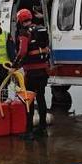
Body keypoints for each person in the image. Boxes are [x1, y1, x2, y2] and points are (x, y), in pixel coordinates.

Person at [12, 9, 50, 141]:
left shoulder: (24, 33)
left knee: (28, 101)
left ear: (20, 20)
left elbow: (22, 52)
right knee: (41, 98)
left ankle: (29, 131)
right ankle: (43, 127)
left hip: (31, 72)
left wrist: (14, 66)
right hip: (43, 71)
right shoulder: (40, 29)